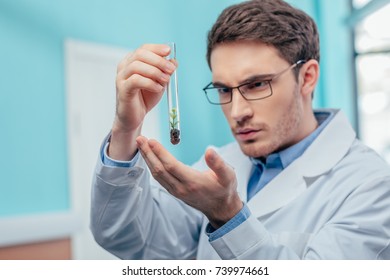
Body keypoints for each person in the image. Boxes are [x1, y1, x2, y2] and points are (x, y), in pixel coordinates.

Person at [90, 0, 390, 259]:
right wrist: (126, 130)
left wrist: (227, 216)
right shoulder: (222, 163)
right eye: (223, 90)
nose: (237, 112)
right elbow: (125, 238)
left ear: (307, 77)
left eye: (257, 84)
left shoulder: (372, 186)